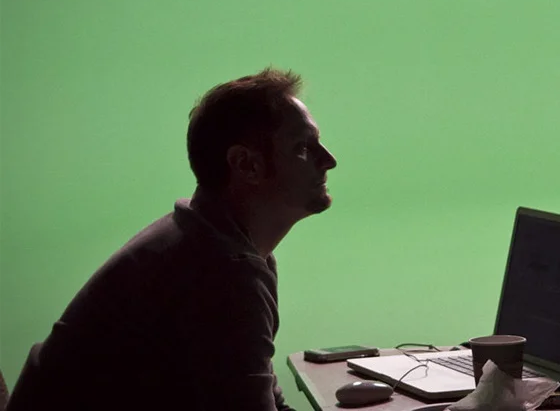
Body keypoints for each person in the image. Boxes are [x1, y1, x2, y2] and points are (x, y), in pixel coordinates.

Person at [7, 68, 338, 410]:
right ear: (246, 165)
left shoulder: (216, 243)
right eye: (302, 147)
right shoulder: (220, 272)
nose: (329, 160)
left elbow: (263, 398)